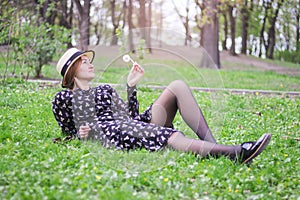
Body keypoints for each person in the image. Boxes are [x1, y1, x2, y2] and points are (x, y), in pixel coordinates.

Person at [52, 48, 271, 165]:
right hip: (112, 134)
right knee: (166, 135)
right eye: (83, 61)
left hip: (129, 126)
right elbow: (69, 129)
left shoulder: (105, 90)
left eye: (89, 60)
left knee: (177, 86)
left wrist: (130, 86)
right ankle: (237, 152)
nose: (90, 64)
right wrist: (80, 133)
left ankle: (215, 147)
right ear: (71, 70)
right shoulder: (63, 99)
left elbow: (130, 116)